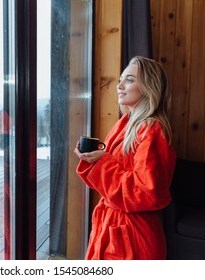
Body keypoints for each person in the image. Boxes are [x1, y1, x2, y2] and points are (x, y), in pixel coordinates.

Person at [74, 56, 176, 260]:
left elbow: (147, 193)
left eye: (129, 80)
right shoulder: (126, 124)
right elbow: (111, 183)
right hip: (114, 228)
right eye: (121, 79)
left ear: (149, 87)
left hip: (133, 237)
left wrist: (101, 163)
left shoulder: (151, 131)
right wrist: (93, 160)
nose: (119, 86)